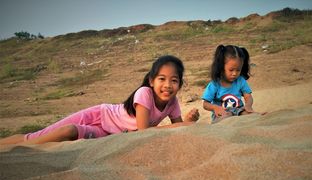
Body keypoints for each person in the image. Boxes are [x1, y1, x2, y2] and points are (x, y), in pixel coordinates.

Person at [0, 55, 199, 145]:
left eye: (174, 81)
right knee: (34, 137)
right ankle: (17, 145)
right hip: (98, 116)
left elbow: (179, 127)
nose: (168, 85)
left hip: (106, 133)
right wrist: (181, 126)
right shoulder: (144, 94)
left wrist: (189, 120)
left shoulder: (172, 102)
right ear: (151, 80)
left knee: (69, 132)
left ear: (180, 84)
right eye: (162, 79)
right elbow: (144, 132)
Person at [202, 44, 257, 122]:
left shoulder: (240, 80)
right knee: (227, 117)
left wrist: (248, 106)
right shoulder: (215, 84)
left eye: (238, 70)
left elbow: (248, 97)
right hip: (222, 113)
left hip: (239, 111)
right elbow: (205, 104)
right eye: (231, 70)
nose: (234, 73)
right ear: (221, 67)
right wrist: (215, 108)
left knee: (252, 116)